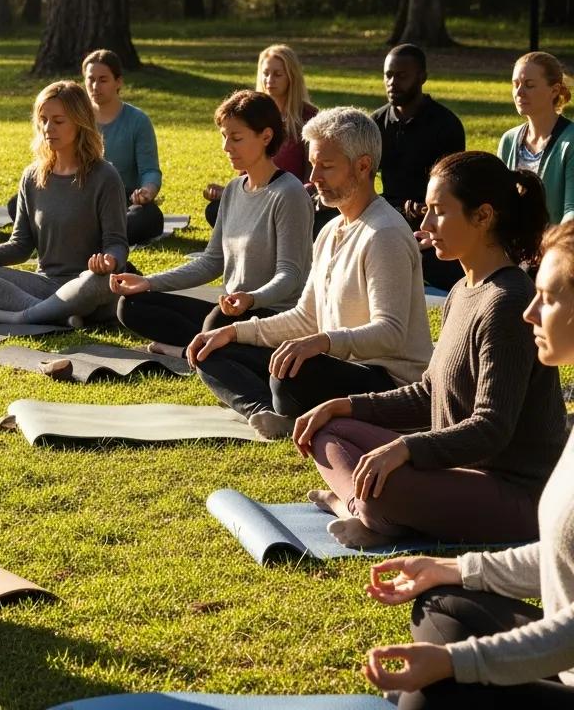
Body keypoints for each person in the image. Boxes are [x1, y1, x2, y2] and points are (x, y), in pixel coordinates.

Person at [294, 151, 565, 549]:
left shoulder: (508, 301)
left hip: (515, 495)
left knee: (379, 488)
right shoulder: (461, 291)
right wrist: (345, 405)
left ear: (483, 216)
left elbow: (492, 428)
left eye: (438, 211)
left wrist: (404, 448)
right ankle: (369, 511)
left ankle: (361, 508)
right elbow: (431, 393)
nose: (425, 225)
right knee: (328, 432)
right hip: (454, 474)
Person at [360, 219, 574, 708]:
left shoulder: (497, 302)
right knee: (441, 604)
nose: (530, 312)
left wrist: (461, 663)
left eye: (549, 297)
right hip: (562, 663)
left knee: (433, 690)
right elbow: (563, 559)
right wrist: (451, 568)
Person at [187, 107, 432, 440]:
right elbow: (306, 318)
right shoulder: (330, 230)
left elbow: (390, 333)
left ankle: (288, 408)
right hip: (333, 363)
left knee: (290, 374)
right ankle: (268, 412)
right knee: (212, 348)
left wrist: (321, 342)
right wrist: (234, 332)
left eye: (326, 166)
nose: (314, 177)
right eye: (313, 163)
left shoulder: (384, 233)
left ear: (362, 166)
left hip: (385, 382)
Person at [110, 90, 313, 357]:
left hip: (269, 317)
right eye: (224, 137)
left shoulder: (289, 193)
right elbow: (211, 262)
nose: (226, 147)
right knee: (131, 306)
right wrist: (147, 282)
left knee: (215, 322)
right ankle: (205, 347)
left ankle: (192, 350)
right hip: (230, 311)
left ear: (266, 136)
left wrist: (251, 299)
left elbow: (291, 275)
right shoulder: (232, 190)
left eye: (236, 138)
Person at [0, 80, 128, 327]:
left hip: (89, 285)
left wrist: (108, 261)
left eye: (58, 121)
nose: (48, 128)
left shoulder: (104, 176)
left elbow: (117, 243)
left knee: (97, 282)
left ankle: (22, 316)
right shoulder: (32, 176)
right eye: (43, 119)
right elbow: (20, 246)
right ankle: (57, 315)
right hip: (45, 286)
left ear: (80, 122)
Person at [373, 44, 466, 292]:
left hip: (432, 220)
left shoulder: (445, 125)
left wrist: (426, 209)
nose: (392, 82)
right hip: (387, 214)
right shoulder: (375, 124)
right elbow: (363, 182)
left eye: (401, 76)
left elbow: (455, 187)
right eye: (388, 75)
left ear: (422, 77)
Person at [202, 45, 317, 228]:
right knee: (216, 210)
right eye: (265, 73)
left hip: (292, 201)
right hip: (256, 198)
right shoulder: (253, 115)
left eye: (277, 74)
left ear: (291, 77)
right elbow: (246, 174)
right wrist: (228, 192)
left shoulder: (309, 118)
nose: (269, 80)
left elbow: (314, 178)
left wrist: (284, 197)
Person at [82, 49, 163, 245]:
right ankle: (94, 232)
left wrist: (146, 192)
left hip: (124, 200)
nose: (95, 86)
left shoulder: (138, 120)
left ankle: (89, 234)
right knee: (18, 205)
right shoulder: (76, 119)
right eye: (90, 79)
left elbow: (150, 170)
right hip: (82, 198)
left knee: (147, 216)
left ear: (118, 82)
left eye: (103, 80)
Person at [498, 50, 574, 225]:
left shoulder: (570, 142)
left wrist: (554, 250)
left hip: (558, 247)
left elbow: (571, 212)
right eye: (515, 84)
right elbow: (498, 202)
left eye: (529, 85)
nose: (519, 92)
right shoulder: (508, 140)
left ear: (554, 90)